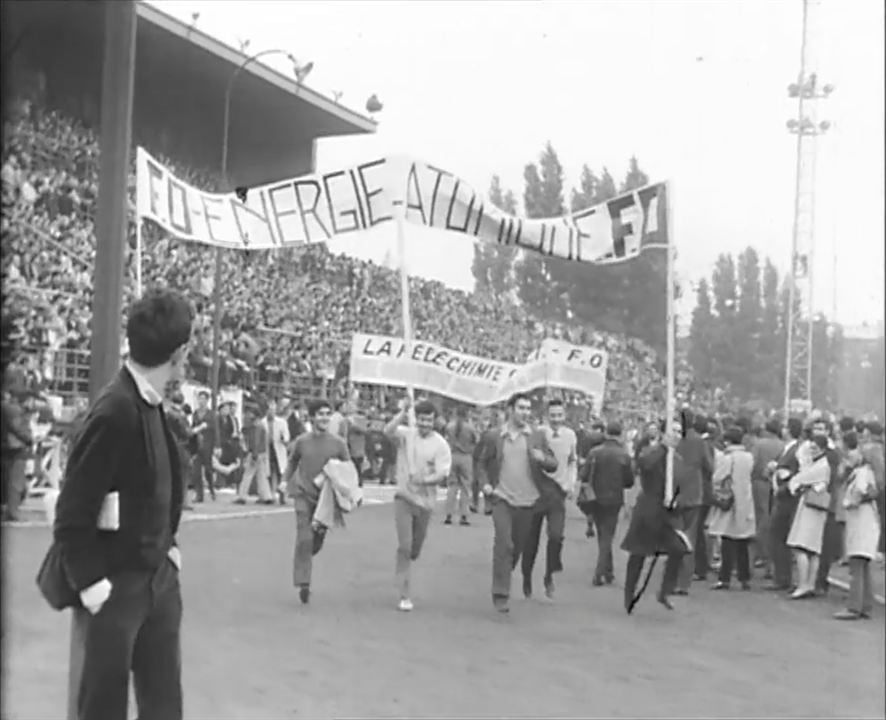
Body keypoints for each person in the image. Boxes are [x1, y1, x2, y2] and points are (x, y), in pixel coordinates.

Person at [53, 288, 193, 720]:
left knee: (164, 704)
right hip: (116, 585)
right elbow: (72, 510)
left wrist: (168, 550)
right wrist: (94, 587)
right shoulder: (115, 410)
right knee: (103, 706)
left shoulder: (148, 405)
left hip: (156, 579)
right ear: (180, 353)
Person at [477, 392, 557, 614]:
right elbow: (482, 463)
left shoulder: (536, 436)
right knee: (504, 544)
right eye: (521, 408)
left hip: (528, 501)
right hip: (502, 498)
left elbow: (553, 464)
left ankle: (505, 571)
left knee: (517, 547)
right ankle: (500, 593)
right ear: (510, 410)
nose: (525, 413)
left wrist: (544, 459)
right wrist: (485, 484)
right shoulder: (495, 436)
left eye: (528, 409)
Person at [385, 398, 452, 611]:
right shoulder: (407, 435)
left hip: (425, 503)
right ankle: (404, 593)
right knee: (404, 546)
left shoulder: (440, 444)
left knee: (414, 549)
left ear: (434, 421)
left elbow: (442, 474)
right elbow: (388, 431)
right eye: (421, 420)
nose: (424, 424)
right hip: (404, 498)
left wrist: (423, 480)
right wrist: (403, 414)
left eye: (429, 421)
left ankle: (407, 562)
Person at [285, 399, 350, 604]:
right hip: (303, 494)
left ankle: (309, 553)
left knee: (315, 542)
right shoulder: (302, 441)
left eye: (327, 414)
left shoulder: (338, 443)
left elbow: (348, 470)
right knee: (304, 538)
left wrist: (351, 493)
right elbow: (293, 461)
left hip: (326, 500)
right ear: (312, 417)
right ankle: (304, 583)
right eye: (320, 414)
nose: (324, 417)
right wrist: (285, 481)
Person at [620, 422, 690, 613]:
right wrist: (662, 448)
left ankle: (665, 591)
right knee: (638, 554)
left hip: (668, 514)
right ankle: (629, 594)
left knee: (679, 549)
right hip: (648, 510)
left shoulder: (679, 460)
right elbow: (644, 465)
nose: (676, 435)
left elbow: (682, 486)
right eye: (673, 431)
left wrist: (677, 501)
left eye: (679, 432)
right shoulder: (652, 453)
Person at [522, 398, 576, 599]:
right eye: (552, 416)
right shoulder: (539, 434)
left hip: (558, 492)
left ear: (564, 416)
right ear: (547, 416)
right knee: (531, 541)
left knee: (556, 536)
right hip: (537, 492)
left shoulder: (570, 435)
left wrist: (570, 483)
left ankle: (549, 575)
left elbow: (572, 461)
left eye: (559, 415)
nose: (556, 419)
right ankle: (526, 576)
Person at [583, 420, 633, 586]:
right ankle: (600, 572)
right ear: (620, 435)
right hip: (614, 499)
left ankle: (608, 570)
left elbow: (584, 475)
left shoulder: (594, 452)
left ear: (606, 433)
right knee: (607, 535)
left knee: (603, 535)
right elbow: (629, 481)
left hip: (594, 497)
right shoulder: (624, 455)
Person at [834, 446, 881, 620]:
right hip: (868, 523)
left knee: (856, 566)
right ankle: (865, 605)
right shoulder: (871, 473)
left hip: (861, 523)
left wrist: (848, 502)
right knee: (864, 567)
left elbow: (860, 492)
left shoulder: (861, 472)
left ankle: (854, 607)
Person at [708, 426, 756, 591]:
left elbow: (719, 477)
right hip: (746, 500)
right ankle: (745, 577)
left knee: (727, 541)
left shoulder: (728, 458)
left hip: (731, 499)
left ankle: (725, 578)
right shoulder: (749, 457)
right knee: (742, 541)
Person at [786, 434, 831, 599]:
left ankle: (803, 584)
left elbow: (798, 480)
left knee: (801, 546)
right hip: (816, 508)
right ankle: (809, 584)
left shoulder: (819, 467)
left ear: (823, 449)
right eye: (811, 448)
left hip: (811, 507)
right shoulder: (820, 464)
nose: (812, 451)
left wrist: (796, 483)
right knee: (812, 549)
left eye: (815, 448)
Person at [673, 410, 713, 595]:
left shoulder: (671, 439)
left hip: (672, 492)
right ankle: (683, 583)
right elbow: (709, 466)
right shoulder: (699, 442)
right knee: (689, 538)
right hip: (693, 494)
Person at [767, 417, 804, 591]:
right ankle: (781, 576)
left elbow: (795, 473)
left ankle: (783, 578)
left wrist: (782, 476)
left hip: (787, 499)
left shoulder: (796, 450)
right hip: (780, 497)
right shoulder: (786, 449)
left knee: (780, 537)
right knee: (778, 537)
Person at [749, 418, 784, 577]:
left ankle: (759, 553)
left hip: (759, 482)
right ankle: (770, 560)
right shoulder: (783, 445)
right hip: (776, 483)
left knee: (760, 518)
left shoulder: (759, 444)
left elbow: (753, 462)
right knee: (772, 518)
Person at [1, 386, 33, 521]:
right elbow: (17, 429)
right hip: (16, 448)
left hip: (6, 447)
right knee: (16, 482)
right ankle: (12, 512)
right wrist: (29, 439)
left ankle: (7, 509)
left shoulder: (7, 407)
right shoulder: (13, 409)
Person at [444, 406, 478, 526]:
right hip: (465, 457)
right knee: (465, 486)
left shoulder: (449, 426)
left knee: (452, 485)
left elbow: (446, 439)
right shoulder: (470, 428)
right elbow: (476, 441)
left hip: (452, 455)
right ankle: (464, 515)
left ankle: (448, 513)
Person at [236, 406, 273, 505]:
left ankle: (242, 496)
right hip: (262, 452)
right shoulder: (261, 425)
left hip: (255, 453)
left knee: (248, 474)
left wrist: (254, 453)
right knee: (261, 475)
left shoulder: (255, 426)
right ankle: (266, 496)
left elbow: (255, 441)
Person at [263, 398, 291, 505]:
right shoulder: (262, 422)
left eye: (273, 410)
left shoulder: (281, 422)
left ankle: (282, 496)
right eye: (269, 410)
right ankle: (271, 495)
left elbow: (287, 436)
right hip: (267, 449)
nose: (271, 412)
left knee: (281, 474)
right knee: (269, 474)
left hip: (278, 449)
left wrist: (284, 439)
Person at [190, 390, 214, 503]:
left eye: (204, 399)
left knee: (208, 470)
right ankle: (199, 495)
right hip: (197, 445)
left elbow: (215, 430)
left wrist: (217, 446)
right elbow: (193, 427)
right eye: (200, 399)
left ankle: (211, 488)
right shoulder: (195, 413)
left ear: (207, 401)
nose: (201, 401)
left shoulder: (211, 414)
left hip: (208, 445)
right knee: (196, 471)